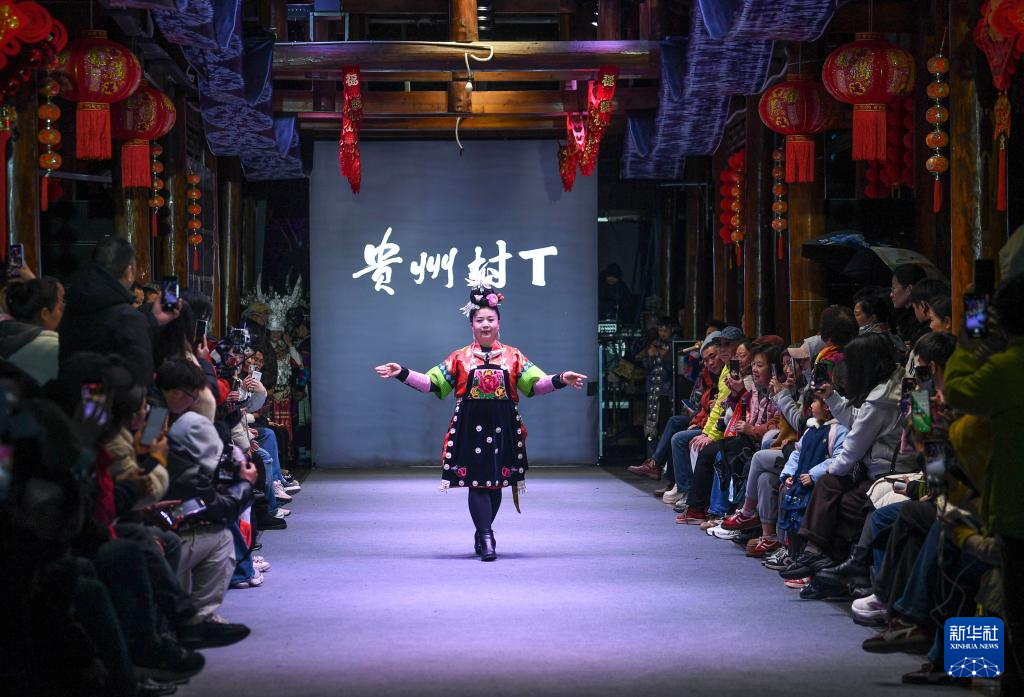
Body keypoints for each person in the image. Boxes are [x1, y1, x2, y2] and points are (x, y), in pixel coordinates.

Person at [375, 279, 586, 561]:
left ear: (499, 323)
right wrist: (402, 372)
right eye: (479, 320)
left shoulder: (513, 356)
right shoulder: (459, 358)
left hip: (503, 428)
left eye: (490, 320)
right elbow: (431, 384)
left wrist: (560, 379)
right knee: (478, 482)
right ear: (471, 325)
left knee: (497, 482)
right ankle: (487, 536)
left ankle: (482, 531)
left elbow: (535, 385)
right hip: (470, 429)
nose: (485, 325)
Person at [59, 236, 178, 386]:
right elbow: (141, 380)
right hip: (114, 399)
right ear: (129, 271)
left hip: (71, 397)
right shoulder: (128, 318)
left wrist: (152, 319)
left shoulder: (72, 307)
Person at [0, 276, 64, 386]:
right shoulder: (54, 348)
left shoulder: (5, 333)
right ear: (44, 314)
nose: (62, 313)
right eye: (60, 308)